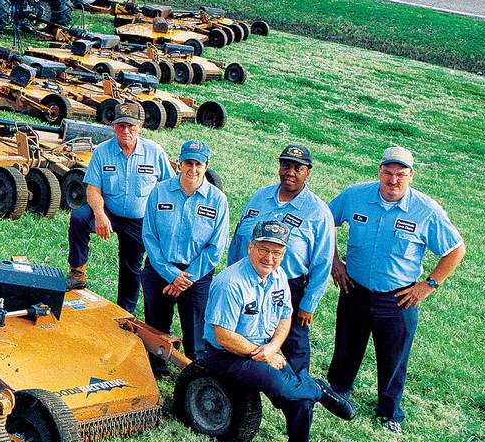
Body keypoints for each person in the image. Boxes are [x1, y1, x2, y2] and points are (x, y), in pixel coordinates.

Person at [325, 146, 466, 433]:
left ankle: (389, 411)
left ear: (411, 175)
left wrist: (428, 285)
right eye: (388, 173)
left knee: (393, 357)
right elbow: (324, 221)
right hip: (355, 290)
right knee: (346, 348)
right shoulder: (355, 196)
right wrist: (333, 262)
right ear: (379, 171)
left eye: (400, 174)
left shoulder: (427, 210)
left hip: (398, 299)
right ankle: (337, 393)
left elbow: (455, 249)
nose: (393, 181)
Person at [200, 217, 354, 442]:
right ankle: (318, 388)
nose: (269, 258)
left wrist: (272, 348)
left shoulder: (279, 276)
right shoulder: (230, 284)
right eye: (263, 250)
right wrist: (262, 354)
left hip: (264, 348)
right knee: (282, 385)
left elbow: (286, 317)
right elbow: (224, 336)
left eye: (277, 252)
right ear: (251, 247)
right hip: (227, 355)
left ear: (284, 253)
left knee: (300, 399)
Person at [225, 143, 334, 375]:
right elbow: (239, 239)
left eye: (298, 167)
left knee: (294, 348)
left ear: (308, 172)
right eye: (286, 165)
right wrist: (230, 278)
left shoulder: (318, 211)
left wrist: (308, 304)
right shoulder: (260, 197)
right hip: (246, 282)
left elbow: (323, 263)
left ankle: (298, 392)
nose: (290, 172)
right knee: (242, 339)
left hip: (289, 288)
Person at [67, 99, 174, 312]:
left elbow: (168, 190)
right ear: (114, 126)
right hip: (110, 210)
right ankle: (77, 273)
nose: (126, 131)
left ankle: (125, 312)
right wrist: (99, 214)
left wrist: (160, 221)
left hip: (139, 218)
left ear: (140, 126)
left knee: (131, 268)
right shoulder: (102, 152)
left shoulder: (155, 152)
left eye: (131, 126)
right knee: (79, 218)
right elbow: (93, 189)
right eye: (121, 126)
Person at [140, 138, 229, 363]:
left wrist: (185, 279)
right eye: (188, 163)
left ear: (206, 167)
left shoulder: (218, 201)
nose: (193, 169)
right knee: (155, 327)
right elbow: (149, 237)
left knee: (196, 335)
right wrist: (171, 275)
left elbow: (215, 248)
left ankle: (194, 375)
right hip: (160, 269)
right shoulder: (159, 192)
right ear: (179, 164)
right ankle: (155, 368)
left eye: (199, 164)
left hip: (196, 275)